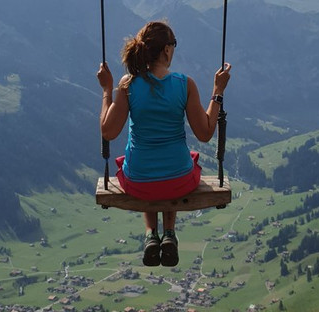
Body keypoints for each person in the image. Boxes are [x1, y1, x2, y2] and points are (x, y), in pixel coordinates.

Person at [96, 20, 231, 267]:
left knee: (141, 163)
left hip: (138, 183)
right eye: (174, 45)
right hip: (179, 181)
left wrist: (107, 89)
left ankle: (151, 235)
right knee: (179, 162)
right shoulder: (184, 84)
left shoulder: (128, 85)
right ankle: (169, 232)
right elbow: (205, 132)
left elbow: (108, 131)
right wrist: (218, 91)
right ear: (167, 50)